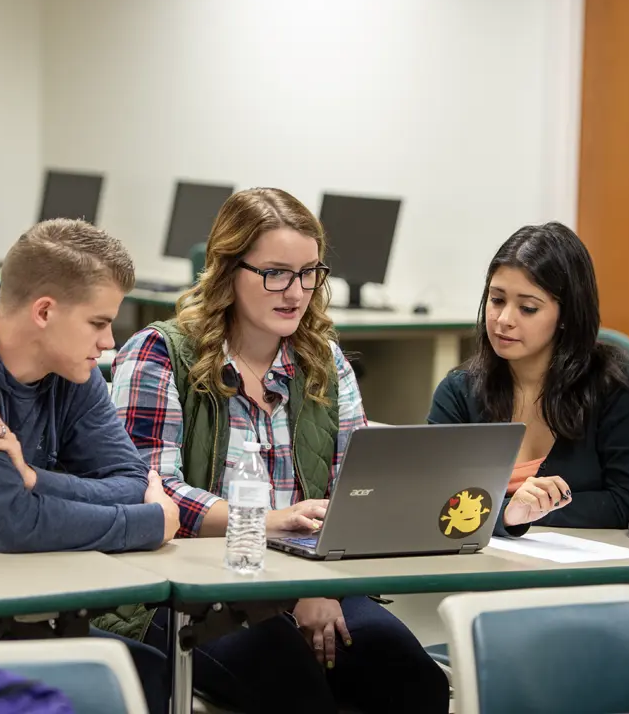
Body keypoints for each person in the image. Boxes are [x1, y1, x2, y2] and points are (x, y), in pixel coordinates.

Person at [95, 188, 451, 714]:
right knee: (296, 689)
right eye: (276, 274)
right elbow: (150, 491)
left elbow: (356, 489)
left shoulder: (324, 362)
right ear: (227, 270)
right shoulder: (159, 353)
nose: (296, 292)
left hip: (309, 576)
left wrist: (314, 587)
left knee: (415, 683)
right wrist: (265, 523)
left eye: (309, 273)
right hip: (187, 590)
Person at [0, 218, 180, 712]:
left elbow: (131, 481)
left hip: (9, 605)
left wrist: (33, 478)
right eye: (98, 323)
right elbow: (13, 524)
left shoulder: (71, 371)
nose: (108, 342)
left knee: (150, 674)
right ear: (44, 311)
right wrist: (150, 523)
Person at [428, 221, 629, 531]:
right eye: (497, 300)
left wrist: (527, 513)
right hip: (483, 556)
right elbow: (432, 498)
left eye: (528, 308)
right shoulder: (459, 390)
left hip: (588, 557)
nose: (504, 320)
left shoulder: (613, 386)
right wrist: (507, 515)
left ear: (566, 314)